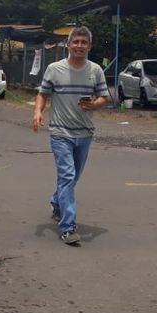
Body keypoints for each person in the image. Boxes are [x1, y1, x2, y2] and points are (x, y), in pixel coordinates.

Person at [32, 26, 109, 245]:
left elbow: (104, 97)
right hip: (60, 133)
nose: (79, 46)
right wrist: (38, 112)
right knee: (66, 176)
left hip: (84, 133)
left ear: (89, 46)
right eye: (75, 42)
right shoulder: (54, 69)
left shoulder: (95, 71)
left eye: (84, 42)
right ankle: (68, 227)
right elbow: (43, 94)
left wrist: (94, 105)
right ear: (68, 44)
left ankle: (56, 202)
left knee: (73, 177)